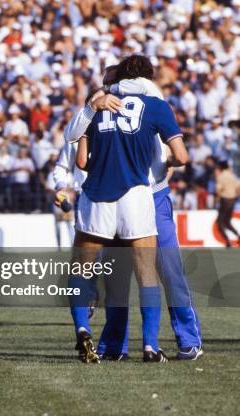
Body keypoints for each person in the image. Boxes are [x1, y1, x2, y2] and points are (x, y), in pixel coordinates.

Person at [66, 58, 203, 361]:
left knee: (112, 274)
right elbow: (178, 152)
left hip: (120, 193)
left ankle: (116, 341)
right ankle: (145, 344)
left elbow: (78, 151)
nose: (107, 83)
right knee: (157, 272)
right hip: (143, 193)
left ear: (122, 78)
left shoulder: (116, 98)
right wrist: (170, 162)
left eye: (110, 77)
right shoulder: (151, 101)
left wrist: (94, 105)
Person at [214, 160, 239, 247]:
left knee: (219, 222)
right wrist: (235, 197)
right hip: (233, 200)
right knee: (227, 221)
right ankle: (237, 235)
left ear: (220, 168)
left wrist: (217, 201)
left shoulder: (221, 177)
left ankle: (228, 241)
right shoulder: (233, 176)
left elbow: (218, 190)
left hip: (225, 200)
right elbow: (238, 189)